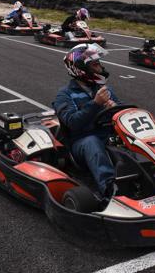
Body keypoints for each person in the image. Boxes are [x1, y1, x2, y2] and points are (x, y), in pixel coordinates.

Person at [52, 43, 121, 198]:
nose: (100, 68)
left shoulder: (103, 90)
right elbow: (72, 122)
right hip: (80, 144)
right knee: (92, 142)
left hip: (107, 136)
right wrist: (95, 104)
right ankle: (110, 189)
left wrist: (116, 108)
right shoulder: (64, 95)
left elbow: (123, 113)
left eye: (99, 64)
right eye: (95, 65)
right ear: (82, 69)